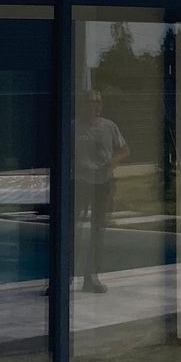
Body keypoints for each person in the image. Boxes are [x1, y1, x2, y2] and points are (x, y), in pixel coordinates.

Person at [74, 89, 128, 293]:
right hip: (79, 182)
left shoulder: (109, 126)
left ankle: (91, 276)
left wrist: (111, 163)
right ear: (83, 105)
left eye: (97, 101)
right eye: (89, 101)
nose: (93, 105)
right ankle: (66, 276)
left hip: (102, 183)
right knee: (73, 229)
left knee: (98, 229)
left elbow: (124, 150)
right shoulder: (74, 127)